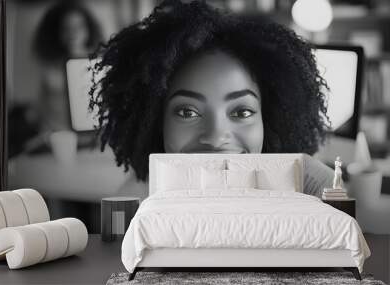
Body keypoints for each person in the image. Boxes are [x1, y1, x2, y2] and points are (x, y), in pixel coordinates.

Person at [90, 0, 333, 197]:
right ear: (156, 123)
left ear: (269, 121)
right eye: (187, 112)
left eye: (242, 112)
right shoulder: (132, 209)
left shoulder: (304, 197)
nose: (216, 138)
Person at [33, 1, 102, 132]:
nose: (73, 32)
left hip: (95, 135)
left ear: (88, 29)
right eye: (66, 28)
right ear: (57, 33)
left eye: (79, 26)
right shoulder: (50, 69)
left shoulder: (100, 63)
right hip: (61, 135)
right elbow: (42, 109)